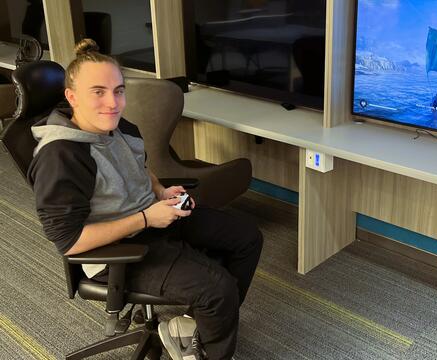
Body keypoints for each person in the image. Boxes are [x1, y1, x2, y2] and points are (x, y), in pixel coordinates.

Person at [27, 38, 263, 360]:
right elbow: (68, 242)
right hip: (113, 252)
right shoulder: (62, 156)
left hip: (150, 216)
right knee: (217, 290)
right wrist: (146, 218)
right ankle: (210, 343)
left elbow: (139, 165)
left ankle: (197, 326)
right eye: (98, 91)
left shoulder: (116, 124)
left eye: (118, 90)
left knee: (247, 237)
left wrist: (160, 192)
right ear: (72, 97)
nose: (112, 102)